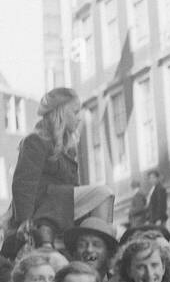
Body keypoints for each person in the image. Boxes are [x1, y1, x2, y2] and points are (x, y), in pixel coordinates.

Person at [8, 86, 113, 237]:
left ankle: (98, 237)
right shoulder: (35, 141)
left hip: (60, 205)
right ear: (61, 112)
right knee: (104, 193)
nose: (79, 118)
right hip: (45, 206)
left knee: (105, 205)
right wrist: (24, 220)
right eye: (75, 112)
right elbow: (23, 184)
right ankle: (100, 240)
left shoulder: (67, 148)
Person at [64, 216, 120, 282]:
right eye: (82, 245)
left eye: (96, 245)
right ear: (75, 252)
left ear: (108, 253)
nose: (89, 250)